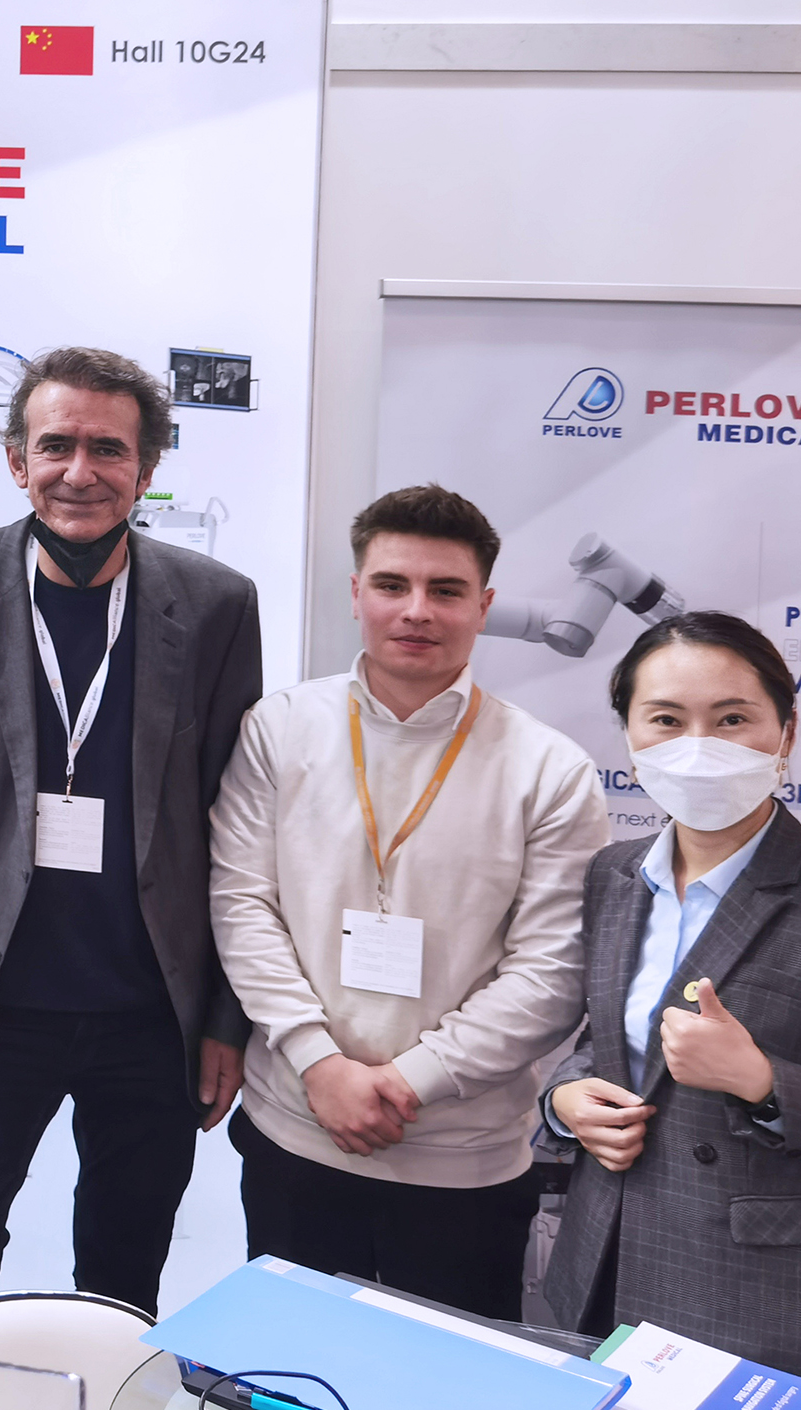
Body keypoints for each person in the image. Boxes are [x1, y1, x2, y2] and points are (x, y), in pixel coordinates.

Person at [0, 345, 260, 1322]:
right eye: (55, 445)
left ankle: (107, 1408)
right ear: (16, 459)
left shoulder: (217, 604)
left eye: (108, 449)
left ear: (147, 467)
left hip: (150, 1016)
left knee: (124, 1273)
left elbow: (238, 832)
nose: (79, 471)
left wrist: (225, 1018)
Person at [209, 484, 608, 1320]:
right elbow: (242, 904)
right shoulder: (281, 726)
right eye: (392, 585)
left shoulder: (550, 769)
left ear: (484, 606)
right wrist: (320, 1064)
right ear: (357, 593)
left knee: (447, 1394)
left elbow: (552, 974)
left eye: (446, 589)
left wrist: (407, 1080)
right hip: (295, 1132)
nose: (416, 610)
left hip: (462, 1165)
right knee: (287, 1380)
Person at [543, 613, 801, 1393]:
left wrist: (763, 1081)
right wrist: (564, 1098)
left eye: (732, 718)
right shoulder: (613, 874)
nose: (698, 747)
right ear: (629, 735)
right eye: (666, 720)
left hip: (766, 1302)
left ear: (786, 730)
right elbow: (607, 1041)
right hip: (604, 1265)